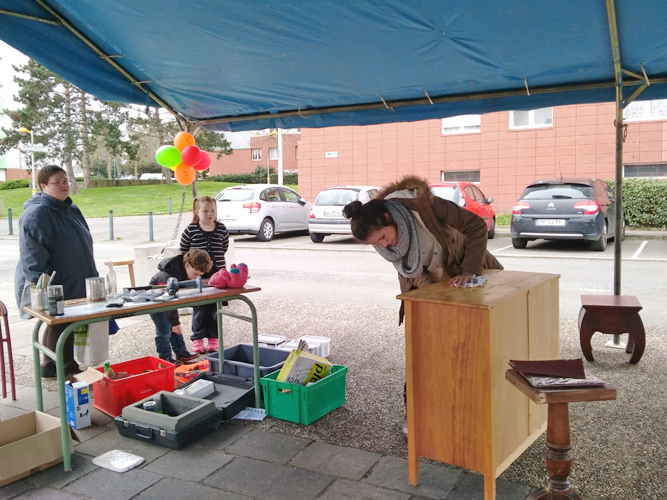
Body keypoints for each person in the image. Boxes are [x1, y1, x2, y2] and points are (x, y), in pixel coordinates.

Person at [343, 175, 503, 437]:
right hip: (428, 289)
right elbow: (407, 270)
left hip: (469, 275)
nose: (385, 246)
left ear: (388, 218)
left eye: (383, 237)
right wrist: (432, 290)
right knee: (422, 353)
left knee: (474, 348)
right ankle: (415, 415)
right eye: (377, 244)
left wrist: (471, 271)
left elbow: (475, 226)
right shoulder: (380, 238)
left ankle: (474, 415)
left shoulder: (425, 207)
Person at [14, 165, 99, 377]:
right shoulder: (37, 214)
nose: (64, 185)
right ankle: (60, 366)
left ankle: (56, 364)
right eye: (57, 182)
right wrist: (42, 286)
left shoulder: (70, 208)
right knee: (60, 322)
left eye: (65, 181)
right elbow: (32, 255)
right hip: (55, 281)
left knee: (67, 322)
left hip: (76, 275)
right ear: (43, 186)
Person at [180, 195, 229, 354]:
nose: (210, 214)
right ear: (196, 212)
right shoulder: (191, 229)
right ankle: (198, 339)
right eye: (205, 211)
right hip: (198, 276)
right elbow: (184, 249)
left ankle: (214, 338)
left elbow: (224, 246)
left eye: (213, 211)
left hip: (218, 275)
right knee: (200, 308)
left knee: (215, 308)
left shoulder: (221, 229)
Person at [149, 249, 212, 364]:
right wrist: (174, 322)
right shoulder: (168, 275)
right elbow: (166, 301)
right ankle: (165, 357)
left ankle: (181, 351)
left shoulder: (183, 272)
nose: (195, 278)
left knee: (175, 328)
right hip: (157, 303)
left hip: (170, 302)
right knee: (164, 330)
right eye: (195, 274)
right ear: (187, 264)